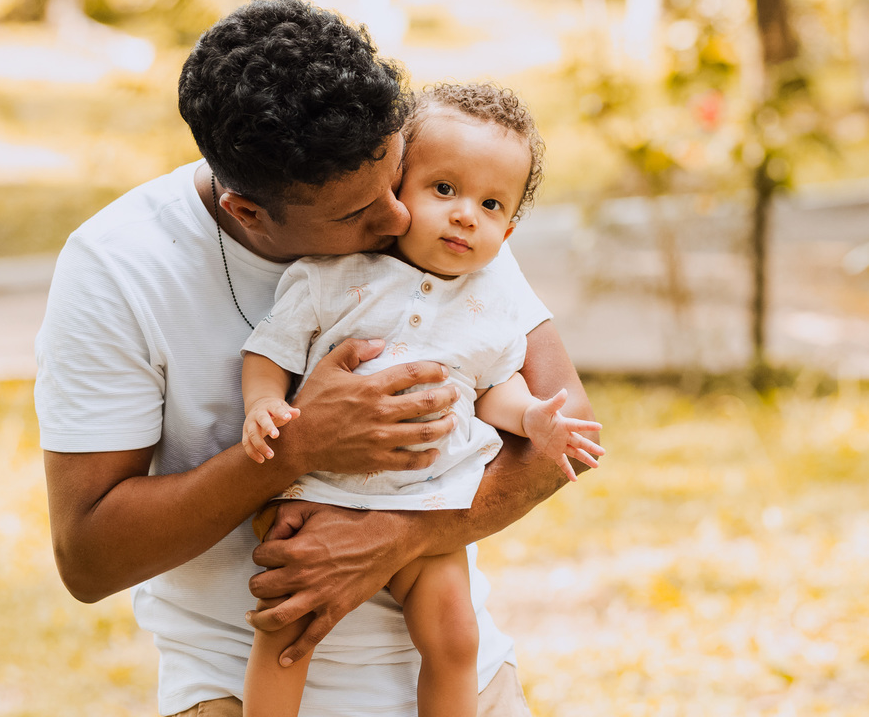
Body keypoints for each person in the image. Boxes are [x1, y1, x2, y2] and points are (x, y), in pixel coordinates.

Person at [35, 0, 599, 717]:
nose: (397, 220)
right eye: (358, 213)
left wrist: (398, 536)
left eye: (396, 181)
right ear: (248, 212)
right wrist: (298, 445)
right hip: (236, 682)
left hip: (454, 669)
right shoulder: (119, 269)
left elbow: (566, 423)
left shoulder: (445, 217)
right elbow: (88, 558)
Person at [237, 83, 606, 717]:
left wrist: (533, 419)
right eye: (444, 190)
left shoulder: (492, 302)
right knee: (287, 629)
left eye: (491, 204)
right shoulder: (333, 276)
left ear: (509, 228)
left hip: (429, 500)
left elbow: (494, 391)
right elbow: (270, 349)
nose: (466, 214)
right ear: (395, 192)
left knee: (456, 639)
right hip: (322, 488)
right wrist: (263, 403)